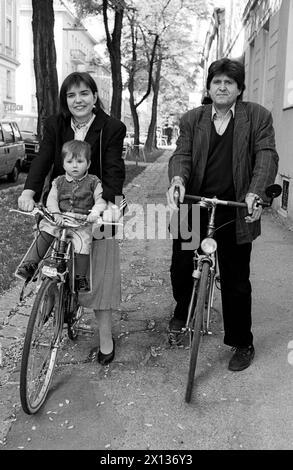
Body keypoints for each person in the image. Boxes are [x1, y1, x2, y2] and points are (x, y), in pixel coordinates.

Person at [167, 58, 279, 372]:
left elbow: (266, 156)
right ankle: (182, 310)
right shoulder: (193, 118)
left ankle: (242, 342)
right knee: (179, 267)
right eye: (217, 81)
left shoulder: (257, 116)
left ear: (239, 88)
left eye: (229, 82)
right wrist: (177, 180)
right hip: (194, 203)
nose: (222, 87)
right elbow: (182, 155)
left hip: (235, 208)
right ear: (209, 86)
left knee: (236, 281)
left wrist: (255, 191)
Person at [18, 71, 126, 366]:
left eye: (84, 93)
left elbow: (115, 168)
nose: (78, 100)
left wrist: (112, 205)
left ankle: (105, 336)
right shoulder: (55, 124)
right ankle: (50, 294)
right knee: (49, 242)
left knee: (100, 272)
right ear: (65, 100)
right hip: (62, 201)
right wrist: (29, 191)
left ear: (94, 96)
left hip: (98, 204)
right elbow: (42, 159)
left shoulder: (112, 127)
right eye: (71, 95)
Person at [17, 139, 107, 291]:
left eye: (80, 161)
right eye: (70, 161)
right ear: (63, 164)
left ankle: (80, 278)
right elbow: (52, 199)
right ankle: (30, 264)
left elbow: (100, 199)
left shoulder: (94, 182)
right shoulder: (58, 181)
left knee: (83, 244)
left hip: (81, 222)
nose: (75, 165)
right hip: (59, 218)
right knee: (46, 231)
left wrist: (96, 212)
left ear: (88, 164)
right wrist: (56, 213)